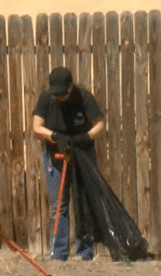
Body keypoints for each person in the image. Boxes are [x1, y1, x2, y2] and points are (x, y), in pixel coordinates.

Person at [31, 67, 106, 261]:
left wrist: (84, 138)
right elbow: (37, 127)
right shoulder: (46, 98)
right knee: (59, 204)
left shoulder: (84, 97)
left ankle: (85, 251)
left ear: (70, 88)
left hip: (82, 152)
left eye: (62, 95)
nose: (59, 99)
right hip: (56, 154)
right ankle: (59, 252)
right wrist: (54, 136)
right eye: (56, 95)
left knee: (83, 201)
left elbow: (100, 124)